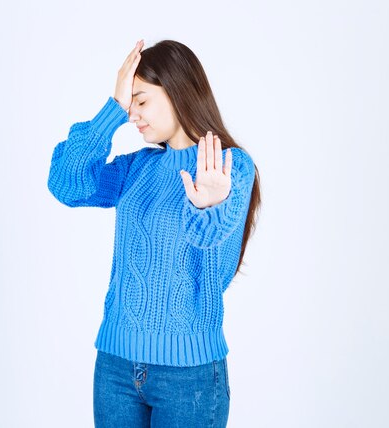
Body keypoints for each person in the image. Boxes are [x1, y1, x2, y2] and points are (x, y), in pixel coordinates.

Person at [47, 39, 261, 428]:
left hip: (188, 376)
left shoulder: (231, 167)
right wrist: (110, 112)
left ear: (178, 90)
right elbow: (66, 183)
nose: (133, 114)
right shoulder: (138, 167)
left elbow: (216, 257)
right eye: (129, 104)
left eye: (140, 101)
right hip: (115, 366)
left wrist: (206, 205)